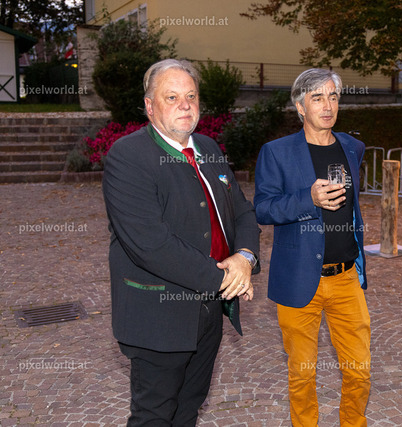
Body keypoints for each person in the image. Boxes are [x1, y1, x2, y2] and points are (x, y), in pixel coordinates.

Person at [102, 59, 260, 426]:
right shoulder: (128, 156)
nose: (185, 105)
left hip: (208, 313)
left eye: (191, 96)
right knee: (154, 416)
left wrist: (245, 258)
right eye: (171, 97)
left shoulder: (208, 147)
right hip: (158, 315)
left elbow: (242, 213)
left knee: (189, 408)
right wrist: (227, 279)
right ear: (149, 106)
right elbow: (150, 244)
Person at [254, 68, 370, 426]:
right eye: (317, 98)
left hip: (346, 278)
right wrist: (309, 199)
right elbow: (263, 209)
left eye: (333, 96)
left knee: (359, 370)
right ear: (300, 107)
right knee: (303, 374)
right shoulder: (276, 152)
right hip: (298, 278)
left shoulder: (352, 147)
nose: (327, 105)